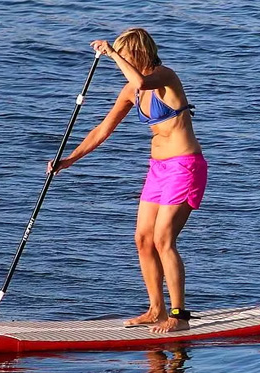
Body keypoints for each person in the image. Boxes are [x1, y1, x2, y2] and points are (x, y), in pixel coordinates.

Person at [48, 28, 206, 333]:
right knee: (143, 239)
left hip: (185, 166)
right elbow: (102, 130)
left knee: (164, 240)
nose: (119, 60)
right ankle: (155, 309)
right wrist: (68, 160)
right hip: (158, 169)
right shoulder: (130, 92)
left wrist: (112, 53)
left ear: (137, 53)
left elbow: (142, 80)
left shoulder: (164, 76)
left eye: (124, 53)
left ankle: (180, 316)